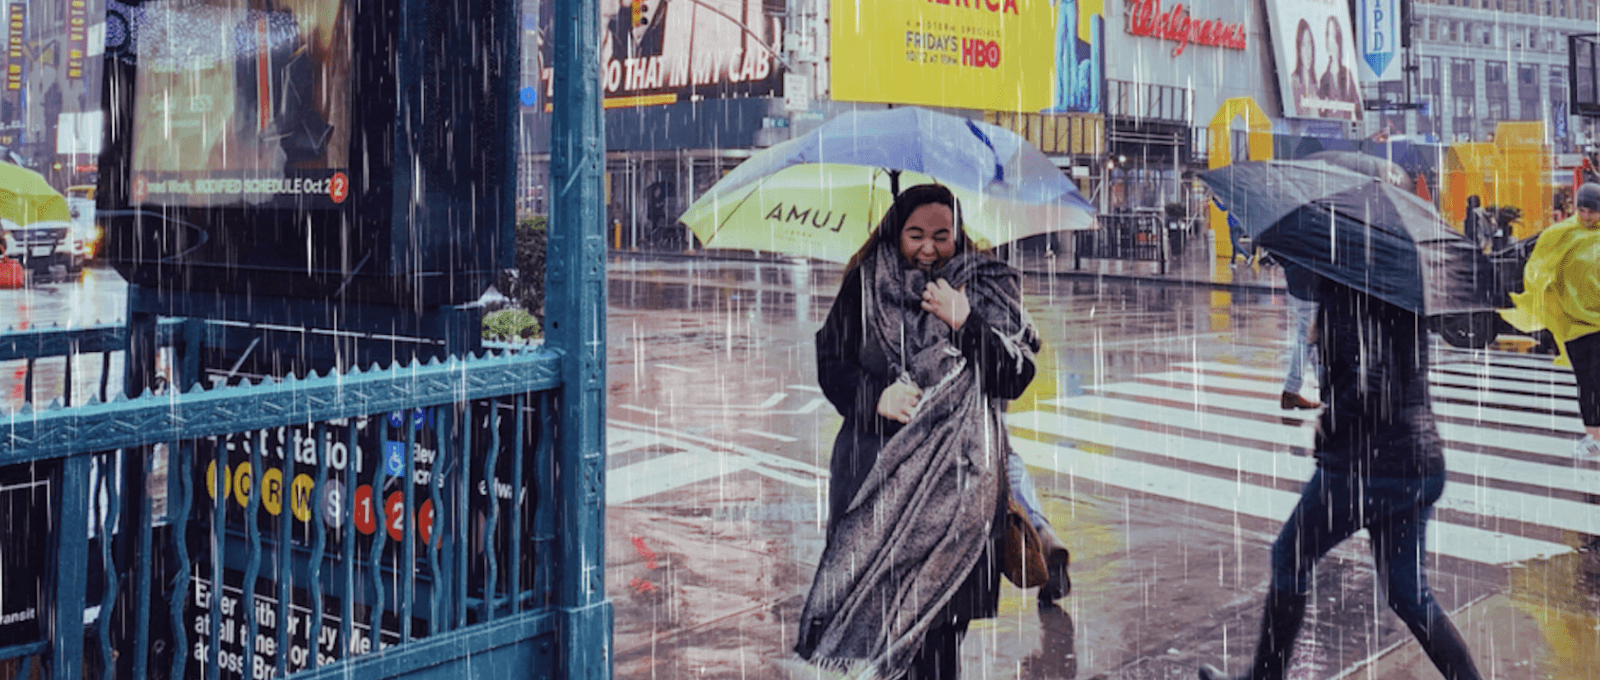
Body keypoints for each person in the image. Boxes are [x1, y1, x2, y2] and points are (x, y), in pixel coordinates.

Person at [797, 184, 1044, 678]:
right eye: (915, 235)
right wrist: (875, 398)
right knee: (868, 628)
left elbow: (1014, 376)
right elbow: (831, 362)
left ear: (959, 235)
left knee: (938, 644)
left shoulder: (983, 285)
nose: (929, 248)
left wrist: (966, 319)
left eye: (942, 236)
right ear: (896, 231)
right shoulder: (865, 284)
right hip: (874, 482)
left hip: (960, 497)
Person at [1198, 277, 1483, 680]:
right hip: (1419, 463)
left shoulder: (1349, 290)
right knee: (1407, 593)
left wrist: (1327, 424)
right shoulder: (1398, 290)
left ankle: (1266, 676)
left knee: (1289, 557)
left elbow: (1375, 381)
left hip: (1365, 467)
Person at [1503, 183, 1600, 461]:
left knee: (1597, 377)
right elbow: (1538, 265)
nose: (1586, 215)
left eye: (1592, 211)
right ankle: (1593, 437)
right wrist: (1541, 284)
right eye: (1582, 209)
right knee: (1586, 382)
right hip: (1573, 323)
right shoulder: (1562, 233)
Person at [1279, 261, 1320, 410]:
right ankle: (1290, 390)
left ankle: (1325, 386)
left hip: (1297, 284)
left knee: (1313, 339)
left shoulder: (1294, 240)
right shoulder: (1312, 241)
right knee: (1307, 340)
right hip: (1310, 287)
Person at [1318, 17, 1359, 120]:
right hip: (1328, 129)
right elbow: (1320, 112)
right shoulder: (1323, 78)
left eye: (1333, 36)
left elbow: (1357, 106)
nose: (1330, 40)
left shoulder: (1346, 73)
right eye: (1328, 35)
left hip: (1345, 129)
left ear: (1338, 40)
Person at [1289, 20, 1319, 116]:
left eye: (1309, 44)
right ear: (1299, 49)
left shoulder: (1314, 83)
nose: (1307, 51)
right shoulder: (1294, 81)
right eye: (1303, 45)